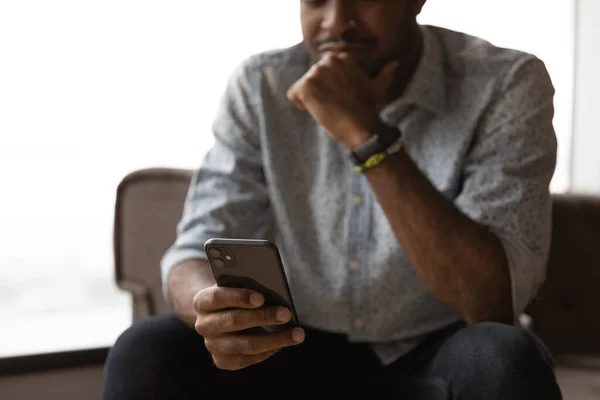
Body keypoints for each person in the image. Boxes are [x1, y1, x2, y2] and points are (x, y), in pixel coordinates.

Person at [103, 0, 563, 398]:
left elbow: (490, 301)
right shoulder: (261, 85)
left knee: (504, 356)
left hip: (438, 350)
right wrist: (211, 305)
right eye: (317, 1)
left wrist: (368, 138)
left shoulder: (505, 83)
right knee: (146, 349)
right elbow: (190, 253)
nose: (336, 23)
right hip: (293, 342)